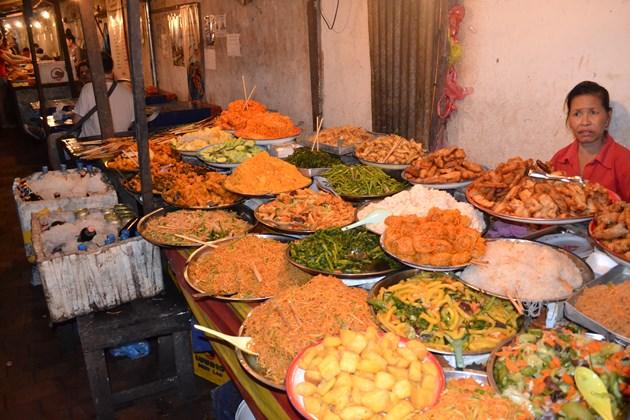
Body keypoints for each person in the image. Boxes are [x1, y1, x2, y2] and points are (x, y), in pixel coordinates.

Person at [550, 81, 630, 201]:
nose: (585, 122)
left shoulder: (625, 161)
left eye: (593, 112)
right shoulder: (559, 160)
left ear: (608, 117)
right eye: (577, 114)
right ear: (569, 120)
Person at [72, 52, 135, 138]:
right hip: (120, 144)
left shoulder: (88, 89)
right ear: (111, 67)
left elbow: (76, 120)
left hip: (93, 146)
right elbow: (131, 122)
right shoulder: (127, 91)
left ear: (93, 69)